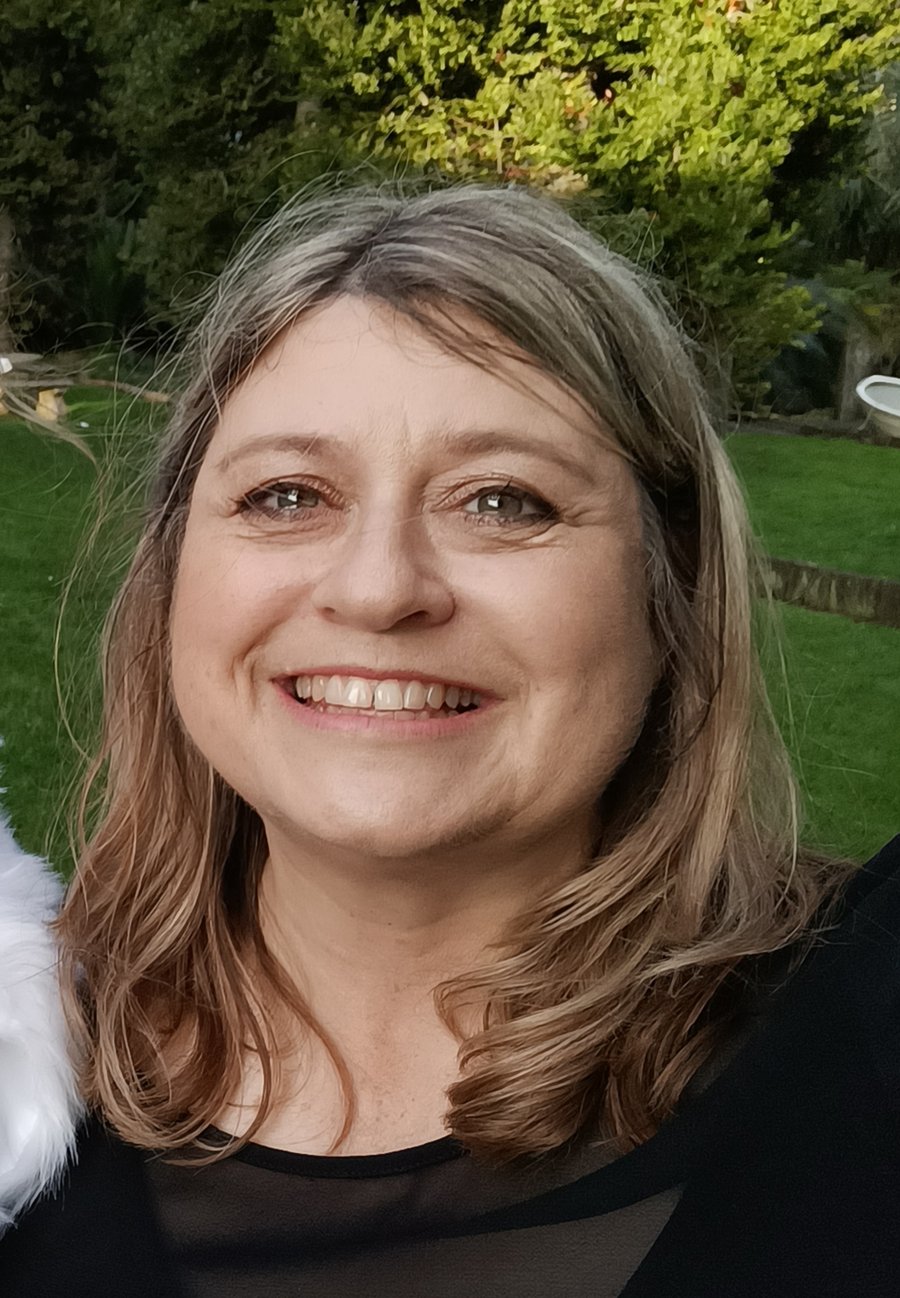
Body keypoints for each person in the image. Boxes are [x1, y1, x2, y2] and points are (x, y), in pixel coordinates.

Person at [0, 183, 897, 1296]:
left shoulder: (865, 1031)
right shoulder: (21, 1057)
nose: (380, 588)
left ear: (674, 582)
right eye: (287, 494)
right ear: (174, 571)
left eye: (503, 500)